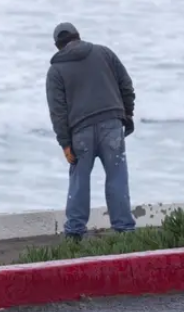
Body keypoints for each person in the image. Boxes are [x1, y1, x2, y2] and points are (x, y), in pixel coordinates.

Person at [45, 22, 137, 241]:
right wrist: (127, 113)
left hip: (81, 132)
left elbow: (58, 111)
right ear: (78, 35)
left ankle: (75, 232)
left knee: (79, 181)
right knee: (117, 177)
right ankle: (124, 231)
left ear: (57, 45)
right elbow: (126, 85)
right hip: (111, 124)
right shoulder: (104, 53)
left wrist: (65, 143)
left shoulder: (55, 71)